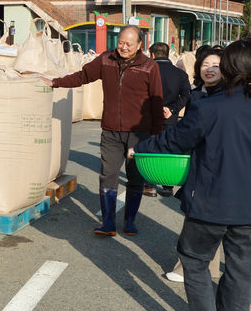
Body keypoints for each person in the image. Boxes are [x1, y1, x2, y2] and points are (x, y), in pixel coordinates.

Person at [130, 40, 251, 311]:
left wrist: (140, 147)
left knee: (194, 262)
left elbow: (175, 140)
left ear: (230, 67)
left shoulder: (210, 106)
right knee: (241, 272)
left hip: (210, 205)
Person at [42, 25, 164, 236]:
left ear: (139, 45)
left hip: (139, 133)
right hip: (110, 131)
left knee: (135, 178)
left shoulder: (149, 67)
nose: (123, 48)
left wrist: (155, 134)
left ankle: (130, 221)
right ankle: (108, 222)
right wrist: (54, 82)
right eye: (121, 43)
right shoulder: (106, 60)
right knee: (108, 175)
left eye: (129, 44)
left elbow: (156, 101)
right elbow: (82, 76)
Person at [164, 47, 224, 283]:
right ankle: (195, 268)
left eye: (216, 66)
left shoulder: (226, 97)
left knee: (206, 221)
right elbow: (186, 130)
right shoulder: (197, 93)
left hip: (216, 165)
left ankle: (189, 269)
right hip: (197, 161)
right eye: (205, 64)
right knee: (201, 219)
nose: (209, 70)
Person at [145, 42, 191, 197]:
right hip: (170, 117)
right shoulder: (180, 74)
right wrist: (172, 109)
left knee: (151, 147)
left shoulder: (146, 71)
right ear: (168, 53)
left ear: (152, 54)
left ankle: (150, 185)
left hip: (149, 116)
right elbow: (186, 95)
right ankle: (167, 186)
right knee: (169, 148)